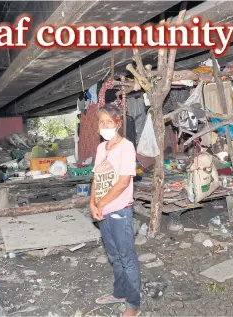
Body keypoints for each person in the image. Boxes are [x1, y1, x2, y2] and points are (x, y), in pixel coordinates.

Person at [90, 103, 141, 317]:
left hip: (120, 211)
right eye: (101, 122)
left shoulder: (126, 147)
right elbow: (96, 178)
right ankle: (119, 293)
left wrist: (101, 204)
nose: (104, 125)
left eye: (108, 122)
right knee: (114, 256)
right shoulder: (101, 148)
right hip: (103, 212)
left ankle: (133, 304)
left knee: (127, 258)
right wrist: (92, 203)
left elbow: (123, 182)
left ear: (118, 124)